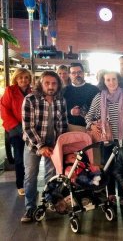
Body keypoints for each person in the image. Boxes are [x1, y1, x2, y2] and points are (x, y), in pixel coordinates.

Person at [20, 71, 68, 222]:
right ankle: (30, 208)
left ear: (58, 85)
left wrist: (58, 145)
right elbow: (27, 127)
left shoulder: (61, 100)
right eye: (47, 83)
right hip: (33, 144)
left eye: (54, 83)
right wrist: (40, 146)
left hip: (53, 143)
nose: (50, 86)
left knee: (51, 176)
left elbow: (63, 125)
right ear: (40, 83)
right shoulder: (30, 99)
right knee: (30, 176)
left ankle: (49, 202)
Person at [85, 71, 123, 198]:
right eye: (108, 80)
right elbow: (88, 116)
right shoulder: (99, 97)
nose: (111, 82)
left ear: (118, 80)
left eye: (114, 79)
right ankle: (111, 195)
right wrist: (92, 125)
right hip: (106, 140)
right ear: (104, 82)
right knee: (108, 168)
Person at [1, 68, 32, 196]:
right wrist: (18, 127)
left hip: (30, 130)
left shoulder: (33, 91)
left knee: (29, 159)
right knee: (19, 159)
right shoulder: (10, 90)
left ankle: (30, 183)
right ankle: (20, 184)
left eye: (26, 77)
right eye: (20, 78)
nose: (23, 80)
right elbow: (4, 110)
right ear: (16, 79)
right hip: (15, 131)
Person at [63, 63, 99, 132]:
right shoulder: (64, 91)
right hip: (73, 128)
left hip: (93, 128)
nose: (77, 75)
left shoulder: (94, 89)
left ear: (83, 73)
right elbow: (59, 111)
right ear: (69, 75)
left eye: (79, 72)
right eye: (73, 73)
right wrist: (70, 112)